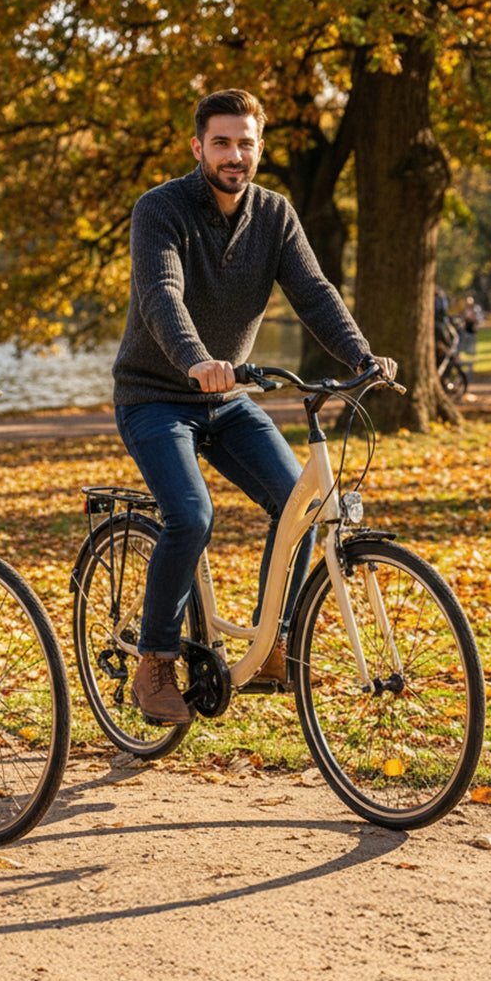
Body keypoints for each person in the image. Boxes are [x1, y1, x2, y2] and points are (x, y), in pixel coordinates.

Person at [112, 88, 397, 724]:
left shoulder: (275, 214)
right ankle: (155, 662)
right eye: (221, 142)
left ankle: (275, 645)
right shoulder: (159, 209)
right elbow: (162, 294)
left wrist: (360, 356)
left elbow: (314, 291)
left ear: (259, 147)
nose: (234, 155)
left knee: (302, 503)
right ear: (198, 147)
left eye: (245, 143)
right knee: (190, 515)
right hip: (156, 396)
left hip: (229, 398)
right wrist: (194, 360)